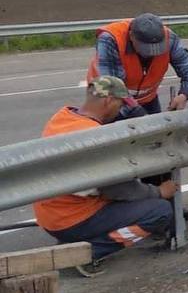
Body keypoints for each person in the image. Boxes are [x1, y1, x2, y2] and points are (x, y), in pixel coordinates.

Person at [33, 76, 176, 275]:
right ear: (109, 100)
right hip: (73, 219)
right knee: (160, 212)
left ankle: (77, 240)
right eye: (120, 104)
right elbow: (120, 190)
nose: (121, 110)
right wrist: (159, 192)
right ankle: (89, 252)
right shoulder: (96, 138)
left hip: (50, 216)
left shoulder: (62, 117)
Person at [86, 12, 188, 117]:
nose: (150, 54)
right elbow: (114, 87)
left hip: (147, 100)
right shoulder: (111, 39)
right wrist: (140, 114)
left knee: (156, 130)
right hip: (109, 101)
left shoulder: (169, 39)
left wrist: (184, 94)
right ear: (131, 36)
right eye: (146, 49)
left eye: (157, 49)